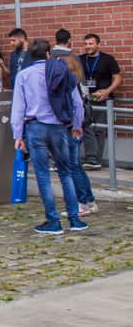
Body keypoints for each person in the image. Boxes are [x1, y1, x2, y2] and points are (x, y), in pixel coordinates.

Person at [11, 39, 86, 235]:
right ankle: (75, 218)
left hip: (35, 127)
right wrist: (77, 124)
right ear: (48, 53)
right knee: (66, 172)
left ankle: (53, 221)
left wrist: (17, 134)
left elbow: (18, 108)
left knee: (43, 176)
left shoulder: (24, 75)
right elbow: (77, 103)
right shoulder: (62, 72)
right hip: (59, 127)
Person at [60, 54, 98, 218]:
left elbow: (78, 107)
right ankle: (88, 201)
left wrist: (76, 126)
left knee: (73, 167)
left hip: (73, 128)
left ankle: (84, 202)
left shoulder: (71, 84)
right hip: (76, 126)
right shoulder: (76, 82)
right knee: (75, 166)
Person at [79, 33, 122, 169]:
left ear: (98, 44)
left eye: (91, 44)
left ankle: (96, 161)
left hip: (102, 100)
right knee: (86, 128)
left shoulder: (108, 59)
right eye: (86, 44)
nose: (88, 47)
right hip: (86, 100)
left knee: (100, 130)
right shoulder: (80, 59)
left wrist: (107, 91)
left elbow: (118, 78)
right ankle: (90, 159)